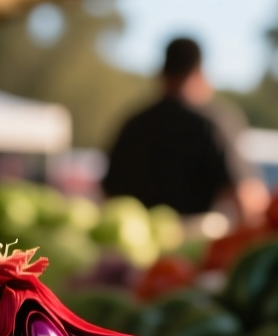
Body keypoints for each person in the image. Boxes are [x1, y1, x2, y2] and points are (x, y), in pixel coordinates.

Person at [103, 38, 265, 221]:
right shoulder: (216, 123)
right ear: (199, 73)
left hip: (137, 237)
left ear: (162, 73)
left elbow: (108, 196)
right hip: (197, 237)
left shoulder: (133, 125)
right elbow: (248, 200)